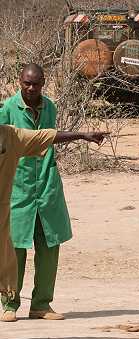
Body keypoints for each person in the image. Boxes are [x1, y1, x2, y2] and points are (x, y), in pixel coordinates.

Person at [0, 125, 107, 317]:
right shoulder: (11, 116)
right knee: (15, 252)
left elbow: (45, 136)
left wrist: (82, 134)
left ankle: (40, 304)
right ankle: (9, 306)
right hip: (19, 200)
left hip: (35, 199)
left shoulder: (10, 136)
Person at [0, 64, 74, 322]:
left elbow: (49, 139)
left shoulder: (50, 107)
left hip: (46, 185)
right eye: (26, 84)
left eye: (36, 84)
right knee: (15, 246)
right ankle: (9, 303)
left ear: (43, 83)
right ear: (19, 82)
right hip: (18, 187)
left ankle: (42, 304)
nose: (31, 89)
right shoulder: (8, 109)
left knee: (49, 245)